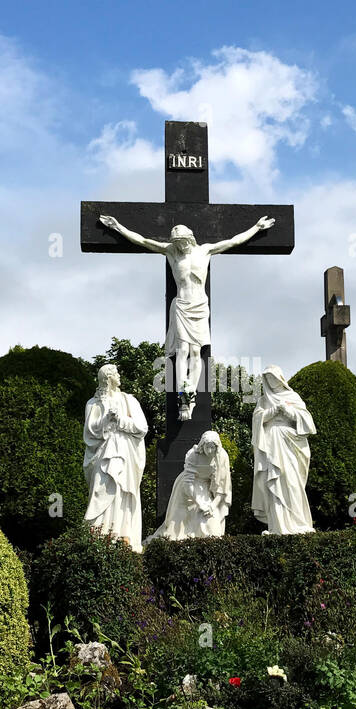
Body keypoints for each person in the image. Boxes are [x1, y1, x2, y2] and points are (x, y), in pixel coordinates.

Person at [97, 214, 275, 413]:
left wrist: (257, 227)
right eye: (177, 243)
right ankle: (183, 391)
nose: (180, 246)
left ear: (190, 239)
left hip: (199, 304)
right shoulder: (171, 252)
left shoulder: (205, 250)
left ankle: (192, 391)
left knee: (197, 352)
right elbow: (144, 241)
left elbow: (233, 241)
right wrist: (118, 227)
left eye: (182, 242)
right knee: (183, 350)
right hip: (182, 304)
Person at [82, 364, 148, 552]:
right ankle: (99, 536)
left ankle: (121, 534)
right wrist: (106, 420)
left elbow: (142, 428)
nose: (120, 376)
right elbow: (89, 431)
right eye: (116, 373)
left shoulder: (129, 400)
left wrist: (120, 419)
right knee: (100, 486)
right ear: (108, 378)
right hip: (103, 452)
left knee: (122, 491)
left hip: (124, 453)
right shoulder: (92, 403)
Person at [251, 365, 316, 535]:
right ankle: (277, 526)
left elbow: (307, 421)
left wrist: (289, 411)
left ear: (280, 378)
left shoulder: (292, 396)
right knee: (273, 482)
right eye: (268, 378)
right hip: (271, 443)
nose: (271, 382)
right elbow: (257, 420)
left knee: (291, 481)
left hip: (289, 443)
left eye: (273, 377)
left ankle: (299, 523)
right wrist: (272, 412)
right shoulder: (263, 401)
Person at [147, 431, 231, 542]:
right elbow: (188, 484)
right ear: (202, 445)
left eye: (213, 447)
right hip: (187, 489)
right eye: (207, 447)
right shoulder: (193, 454)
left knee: (212, 528)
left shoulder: (222, 457)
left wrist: (212, 506)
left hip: (205, 488)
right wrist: (200, 503)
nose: (210, 451)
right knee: (178, 530)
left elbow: (222, 486)